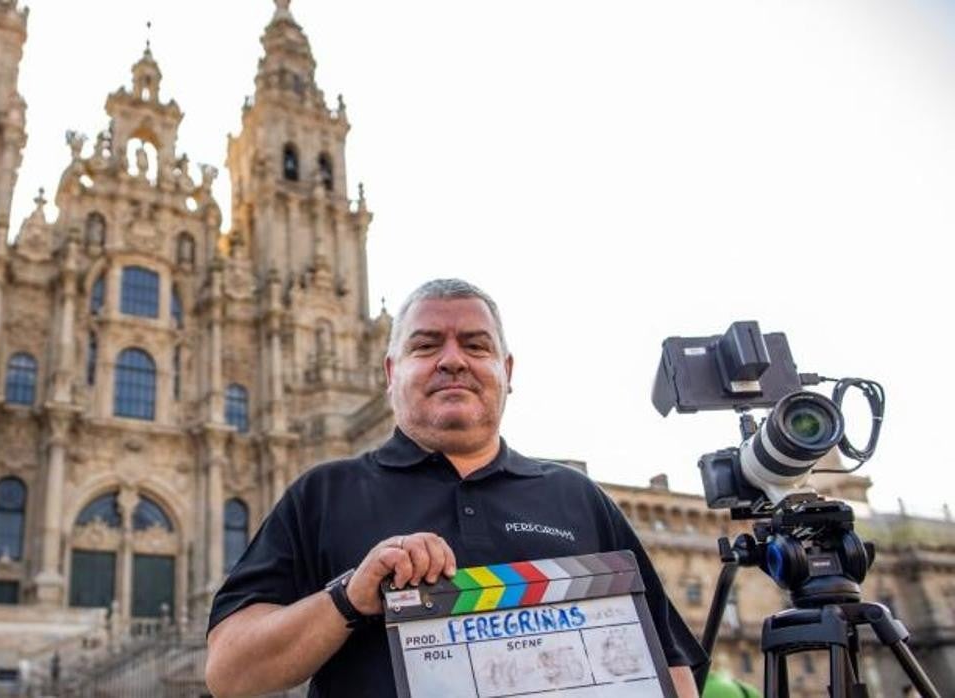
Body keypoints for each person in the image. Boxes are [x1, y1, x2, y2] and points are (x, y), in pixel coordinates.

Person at [205, 278, 706, 697]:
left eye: (476, 345)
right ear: (389, 372)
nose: (452, 360)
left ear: (506, 372)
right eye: (425, 345)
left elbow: (669, 665)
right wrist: (348, 597)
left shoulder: (579, 497)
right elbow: (229, 670)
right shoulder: (323, 493)